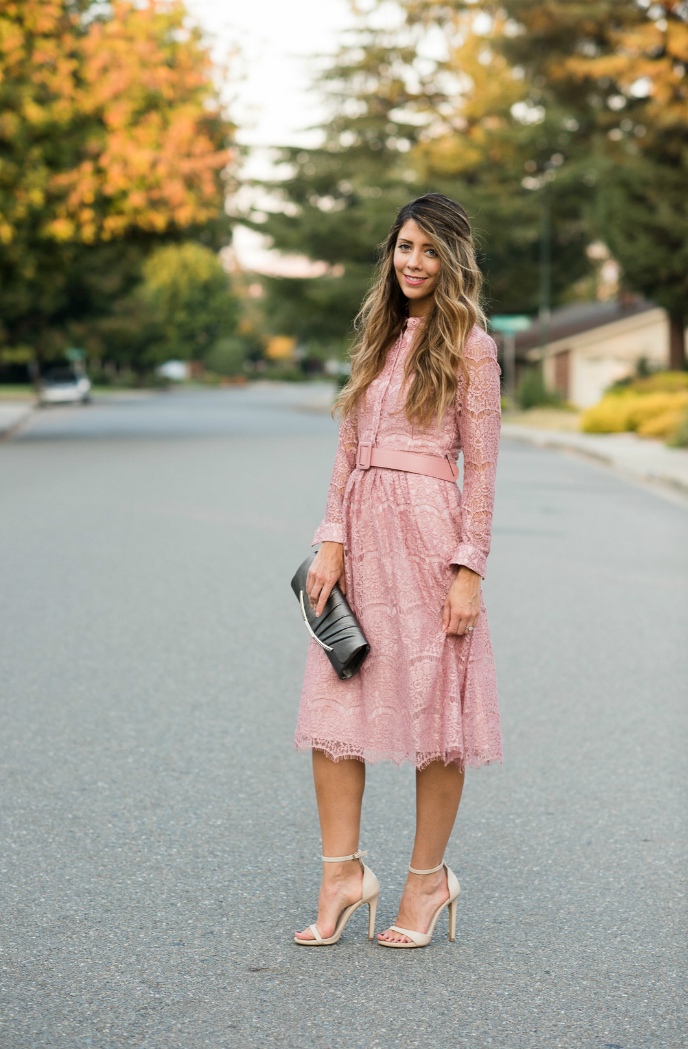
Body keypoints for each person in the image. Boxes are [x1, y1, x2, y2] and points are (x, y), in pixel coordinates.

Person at [294, 193, 502, 948]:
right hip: (361, 535)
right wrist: (330, 540)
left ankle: (428, 880)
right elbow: (346, 452)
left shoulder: (472, 345)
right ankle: (342, 872)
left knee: (437, 716)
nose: (412, 261)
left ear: (452, 260)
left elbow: (479, 469)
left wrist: (468, 568)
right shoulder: (377, 336)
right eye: (403, 247)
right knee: (334, 709)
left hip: (428, 540)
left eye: (428, 250)